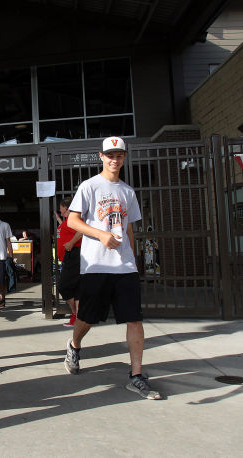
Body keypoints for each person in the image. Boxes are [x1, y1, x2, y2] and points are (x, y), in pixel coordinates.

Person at [63, 136, 162, 400]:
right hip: (96, 265)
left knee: (134, 318)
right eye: (110, 155)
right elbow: (73, 221)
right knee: (88, 317)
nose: (114, 160)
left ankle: (136, 375)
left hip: (124, 266)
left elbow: (129, 226)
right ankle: (74, 345)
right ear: (101, 156)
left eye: (119, 155)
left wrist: (132, 256)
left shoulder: (128, 191)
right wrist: (100, 235)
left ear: (124, 158)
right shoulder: (89, 186)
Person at [55, 197, 82, 327]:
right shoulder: (67, 221)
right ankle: (78, 317)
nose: (60, 211)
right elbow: (67, 230)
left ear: (66, 208)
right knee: (75, 288)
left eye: (61, 208)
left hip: (73, 256)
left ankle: (75, 314)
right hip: (69, 257)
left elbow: (81, 231)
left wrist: (71, 243)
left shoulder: (73, 221)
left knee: (63, 287)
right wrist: (60, 220)